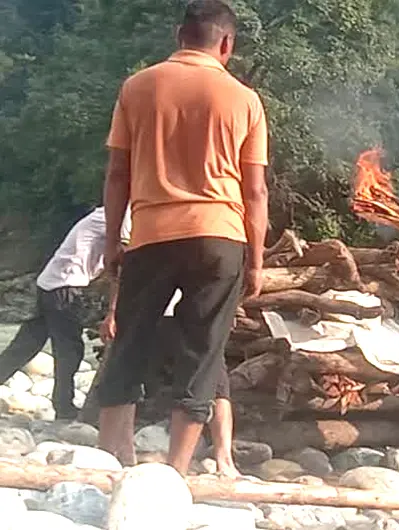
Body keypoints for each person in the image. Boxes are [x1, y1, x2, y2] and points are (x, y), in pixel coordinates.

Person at [97, 0, 269, 475]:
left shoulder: (138, 86)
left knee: (130, 342)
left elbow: (117, 174)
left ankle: (113, 457)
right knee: (203, 351)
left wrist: (112, 241)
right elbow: (255, 190)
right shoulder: (244, 99)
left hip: (152, 233)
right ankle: (177, 468)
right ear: (227, 43)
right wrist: (256, 261)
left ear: (179, 35)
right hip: (220, 236)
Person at [0, 206, 130, 420]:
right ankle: (64, 408)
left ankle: (62, 404)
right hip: (65, 285)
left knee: (25, 346)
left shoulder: (108, 212)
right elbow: (121, 264)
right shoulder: (124, 215)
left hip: (50, 282)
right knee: (70, 351)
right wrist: (112, 311)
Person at [100, 289, 240, 477]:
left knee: (129, 372)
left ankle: (224, 459)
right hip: (174, 312)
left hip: (177, 311)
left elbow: (122, 276)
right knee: (130, 374)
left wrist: (113, 311)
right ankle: (123, 452)